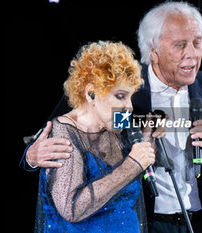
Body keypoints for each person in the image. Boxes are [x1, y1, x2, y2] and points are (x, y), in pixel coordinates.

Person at [24, 2, 202, 233]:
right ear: (154, 50)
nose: (193, 54)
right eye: (180, 45)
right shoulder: (119, 83)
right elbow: (67, 126)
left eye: (197, 43)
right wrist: (31, 157)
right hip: (143, 220)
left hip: (197, 222)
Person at [34, 41, 160, 233]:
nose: (129, 107)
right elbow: (71, 208)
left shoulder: (119, 130)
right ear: (91, 93)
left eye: (130, 97)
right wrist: (131, 165)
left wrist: (149, 144)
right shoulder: (64, 131)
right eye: (120, 96)